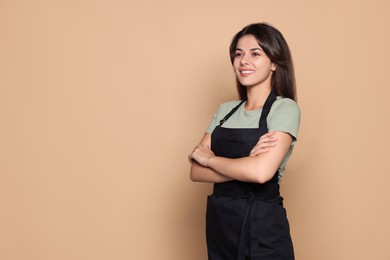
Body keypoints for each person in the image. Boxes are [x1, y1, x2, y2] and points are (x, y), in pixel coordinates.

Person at [188, 23, 300, 260]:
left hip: (263, 230)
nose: (243, 61)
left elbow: (261, 173)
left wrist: (210, 159)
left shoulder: (284, 109)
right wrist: (247, 163)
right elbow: (196, 172)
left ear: (274, 63)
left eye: (255, 53)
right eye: (238, 54)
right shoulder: (225, 110)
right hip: (221, 227)